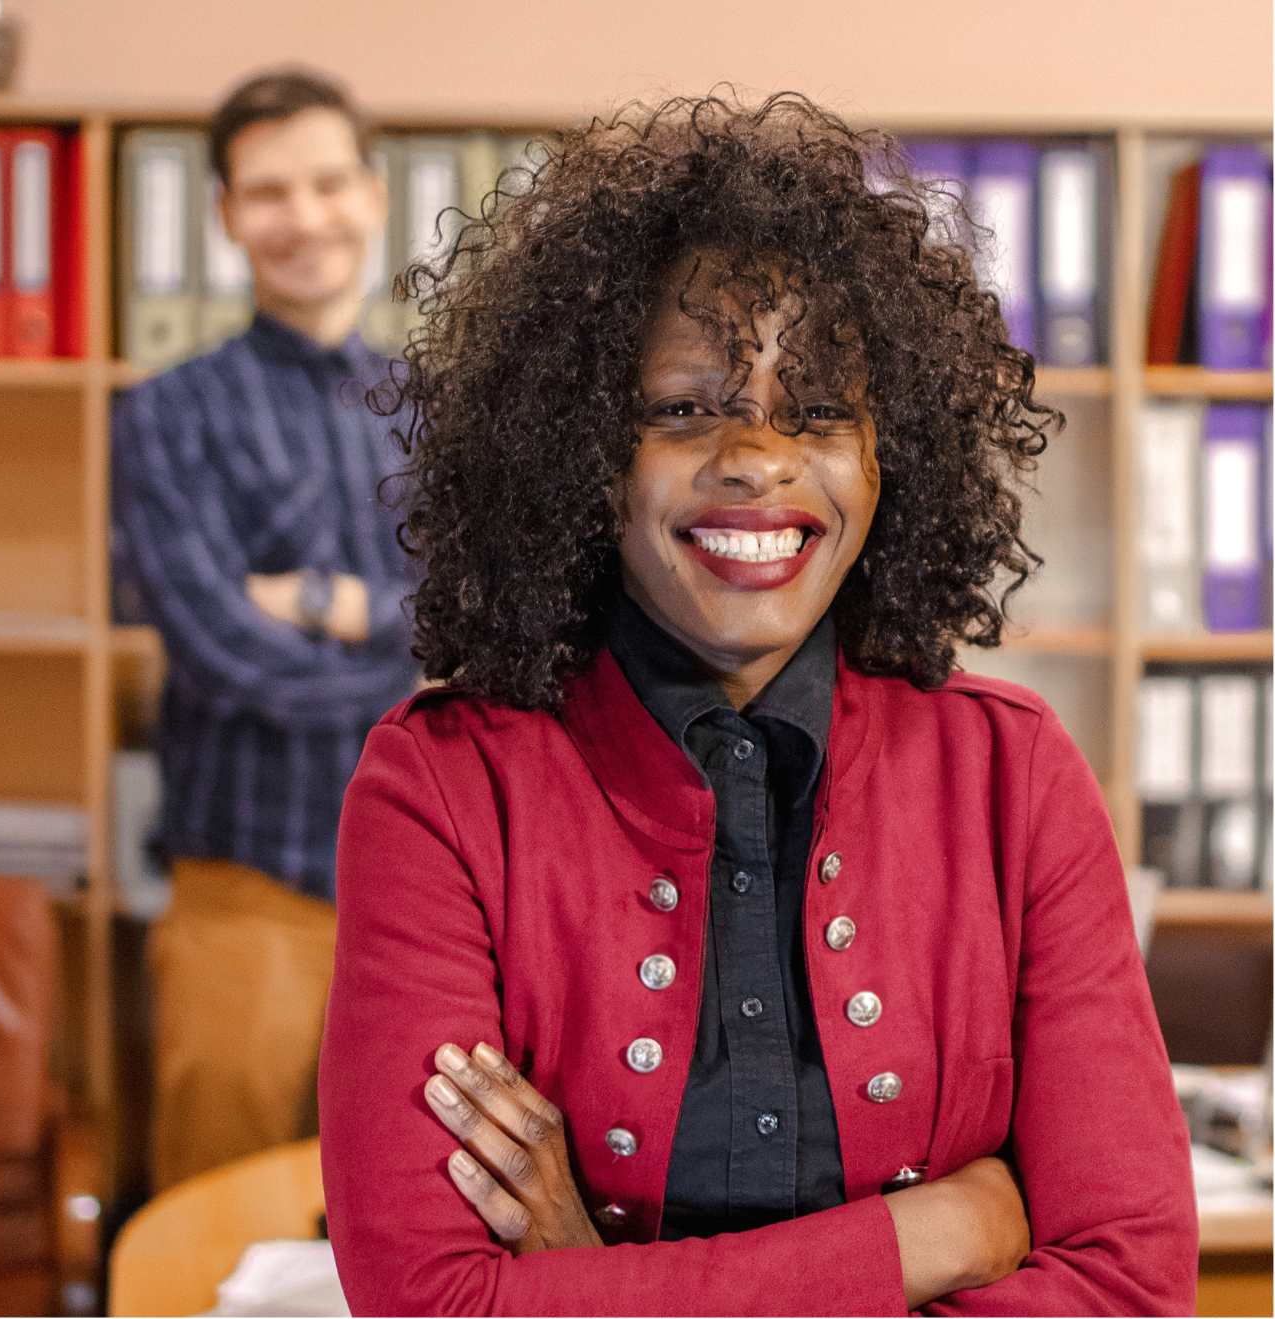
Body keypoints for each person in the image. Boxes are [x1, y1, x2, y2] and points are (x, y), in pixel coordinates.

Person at [318, 94, 1196, 1314]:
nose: (758, 459)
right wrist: (927, 1236)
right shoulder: (443, 788)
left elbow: (1129, 1286)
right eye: (684, 407)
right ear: (582, 452)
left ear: (889, 455)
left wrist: (587, 1284)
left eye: (820, 411)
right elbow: (431, 1302)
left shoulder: (1015, 779)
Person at [112, 69, 419, 1192]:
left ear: (373, 194)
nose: (304, 217)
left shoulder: (440, 409)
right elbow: (224, 654)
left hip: (431, 903)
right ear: (227, 214)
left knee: (408, 1226)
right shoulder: (166, 413)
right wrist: (422, 659)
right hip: (249, 896)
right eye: (270, 191)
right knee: (217, 1225)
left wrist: (327, 602)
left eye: (328, 183)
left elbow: (513, 620)